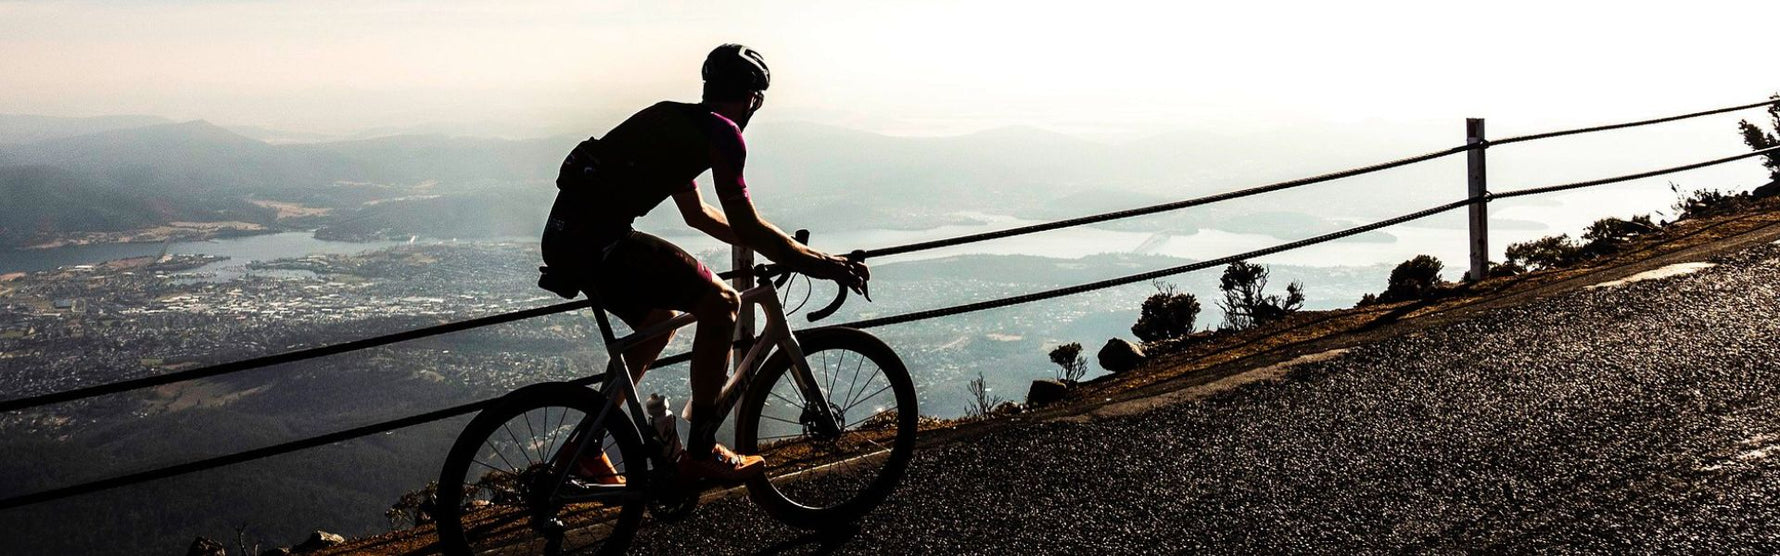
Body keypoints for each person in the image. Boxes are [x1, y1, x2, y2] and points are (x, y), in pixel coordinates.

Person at [539, 44, 868, 483]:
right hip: (601, 244)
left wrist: (778, 244)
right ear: (754, 98)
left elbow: (698, 214)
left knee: (661, 320)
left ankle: (586, 446)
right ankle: (701, 449)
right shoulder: (723, 135)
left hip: (566, 240)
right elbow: (745, 223)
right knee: (722, 303)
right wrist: (822, 263)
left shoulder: (674, 120)